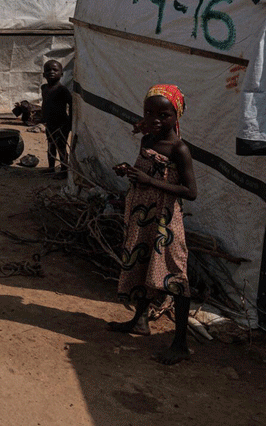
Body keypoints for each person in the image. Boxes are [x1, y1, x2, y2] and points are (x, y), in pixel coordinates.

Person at [107, 85, 197, 365]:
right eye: (149, 112)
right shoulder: (147, 140)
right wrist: (130, 172)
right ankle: (140, 321)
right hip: (142, 214)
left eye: (163, 114)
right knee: (143, 264)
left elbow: (190, 191)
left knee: (175, 275)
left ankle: (180, 343)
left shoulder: (179, 149)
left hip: (165, 219)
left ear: (176, 116)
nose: (155, 118)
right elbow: (147, 170)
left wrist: (150, 182)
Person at [41, 60, 71, 177]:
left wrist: (70, 122)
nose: (51, 72)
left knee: (61, 146)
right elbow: (45, 104)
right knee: (50, 145)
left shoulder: (62, 89)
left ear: (62, 74)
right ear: (43, 74)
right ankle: (51, 167)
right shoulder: (44, 88)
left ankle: (64, 170)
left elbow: (72, 103)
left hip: (61, 123)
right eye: (48, 70)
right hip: (50, 123)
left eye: (55, 70)